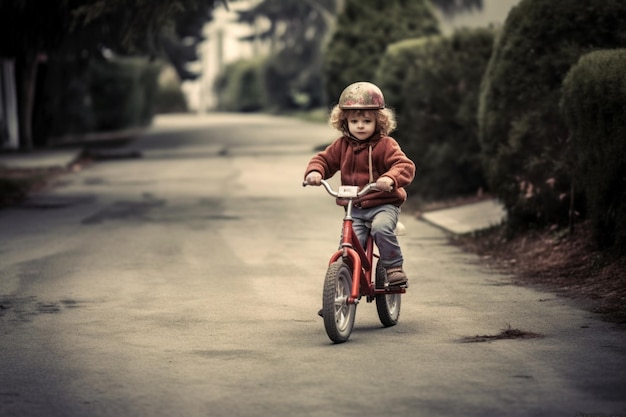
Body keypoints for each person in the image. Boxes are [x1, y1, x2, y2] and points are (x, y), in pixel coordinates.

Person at [304, 81, 416, 286]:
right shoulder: (341, 146)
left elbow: (404, 165)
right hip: (354, 207)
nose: (360, 125)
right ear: (344, 122)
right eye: (354, 121)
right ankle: (339, 290)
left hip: (383, 204)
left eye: (366, 120)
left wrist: (389, 178)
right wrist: (315, 172)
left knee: (381, 229)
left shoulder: (386, 145)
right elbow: (324, 160)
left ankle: (393, 268)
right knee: (348, 247)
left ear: (379, 122)